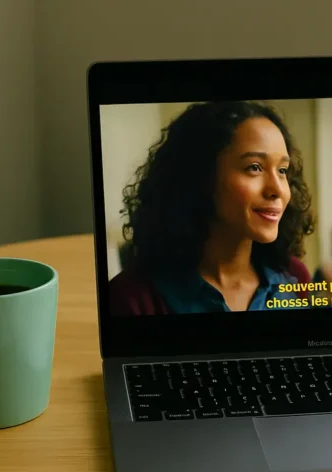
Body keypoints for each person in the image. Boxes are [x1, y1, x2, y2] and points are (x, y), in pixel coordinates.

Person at [108, 101, 315, 315]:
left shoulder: (294, 276)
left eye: (282, 170)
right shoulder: (131, 298)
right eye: (254, 167)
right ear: (201, 176)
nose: (278, 190)